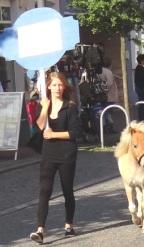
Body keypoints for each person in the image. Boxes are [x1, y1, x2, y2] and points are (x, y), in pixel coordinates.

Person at [29, 72, 81, 244]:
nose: (57, 88)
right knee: (44, 191)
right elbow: (39, 126)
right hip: (48, 154)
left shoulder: (71, 106)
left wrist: (54, 134)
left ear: (64, 87)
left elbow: (74, 133)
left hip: (66, 154)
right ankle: (40, 230)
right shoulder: (45, 105)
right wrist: (44, 107)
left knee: (67, 191)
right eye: (54, 85)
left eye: (60, 85)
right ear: (48, 87)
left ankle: (68, 225)